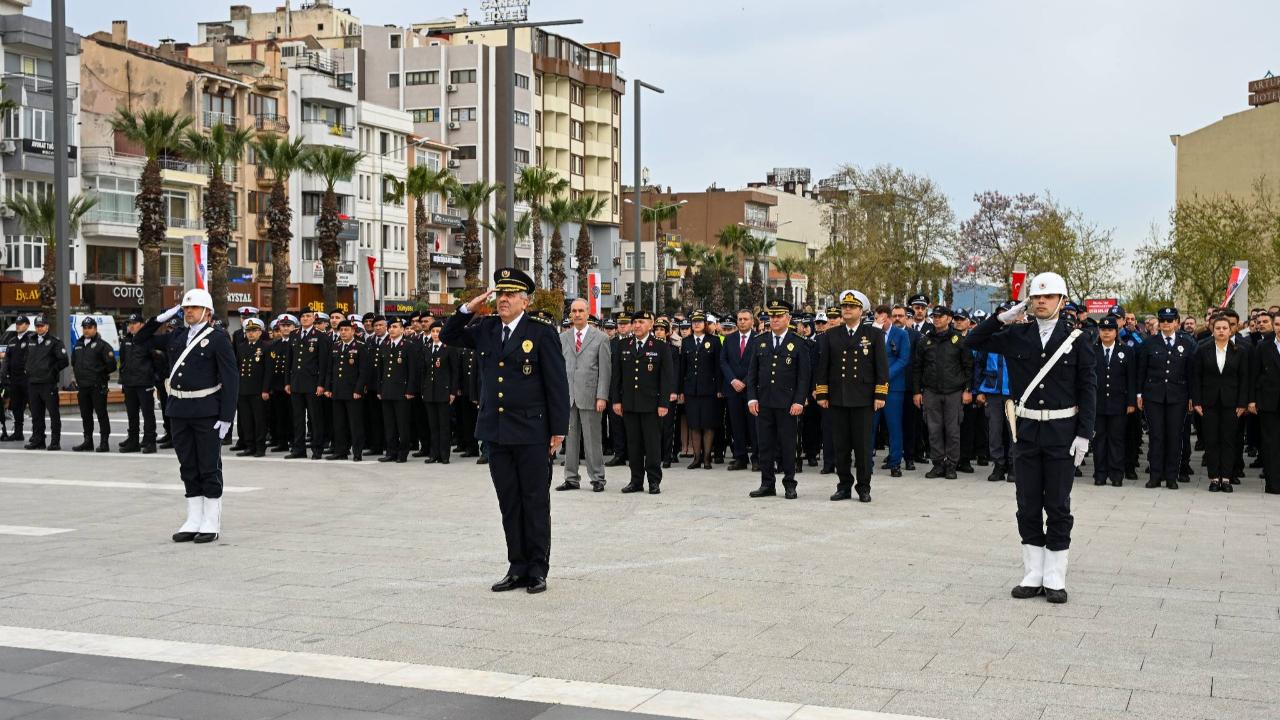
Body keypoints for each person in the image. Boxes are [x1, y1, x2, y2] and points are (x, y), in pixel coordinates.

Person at [965, 271, 1096, 604]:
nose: (1041, 302)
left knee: (1057, 504)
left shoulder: (1078, 339)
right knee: (1027, 504)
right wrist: (1000, 318)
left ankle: (1054, 576)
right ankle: (1032, 573)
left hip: (1061, 432)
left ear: (1061, 301)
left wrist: (1084, 434)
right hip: (1025, 431)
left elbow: (1088, 388)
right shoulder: (1017, 335)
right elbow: (971, 341)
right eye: (1036, 297)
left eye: (1048, 297)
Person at [443, 268, 569, 595]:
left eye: (510, 295)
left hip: (532, 431)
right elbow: (449, 335)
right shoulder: (485, 328)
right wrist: (469, 307)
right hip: (497, 431)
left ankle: (538, 569)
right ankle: (517, 566)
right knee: (509, 502)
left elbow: (556, 384)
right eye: (500, 294)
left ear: (524, 301)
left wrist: (558, 430)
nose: (503, 300)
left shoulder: (540, 333)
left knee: (534, 501)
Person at [136, 289, 238, 544]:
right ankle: (193, 518)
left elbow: (231, 378)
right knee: (188, 466)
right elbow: (140, 339)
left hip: (207, 411)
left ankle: (211, 520)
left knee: (208, 466)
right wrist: (161, 317)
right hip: (179, 411)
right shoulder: (177, 336)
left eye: (193, 308)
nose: (188, 312)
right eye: (185, 308)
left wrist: (227, 418)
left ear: (207, 312)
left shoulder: (217, 339)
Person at [815, 290, 887, 502]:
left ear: (861, 311)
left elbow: (881, 368)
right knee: (841, 445)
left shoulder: (873, 335)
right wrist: (822, 393)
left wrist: (880, 394)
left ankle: (863, 487)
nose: (846, 310)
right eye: (844, 307)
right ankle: (844, 485)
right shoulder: (831, 334)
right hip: (838, 397)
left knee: (863, 446)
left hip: (863, 398)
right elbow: (824, 367)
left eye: (852, 307)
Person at [746, 300, 810, 499]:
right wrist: (751, 398)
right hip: (764, 402)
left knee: (788, 444)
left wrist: (799, 400)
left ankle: (790, 483)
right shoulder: (760, 341)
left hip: (787, 403)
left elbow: (803, 376)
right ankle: (767, 484)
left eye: (779, 316)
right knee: (764, 444)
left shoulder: (799, 343)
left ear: (788, 318)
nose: (774, 319)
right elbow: (752, 374)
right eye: (772, 316)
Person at [611, 310, 676, 494]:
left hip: (651, 406)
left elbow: (666, 378)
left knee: (652, 445)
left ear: (650, 324)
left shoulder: (660, 346)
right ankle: (636, 480)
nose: (637, 325)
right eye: (635, 322)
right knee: (634, 444)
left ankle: (654, 481)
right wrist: (616, 400)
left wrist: (664, 403)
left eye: (641, 322)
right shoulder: (624, 345)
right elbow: (617, 376)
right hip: (630, 404)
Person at [1137, 307, 1196, 490]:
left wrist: (1192, 397)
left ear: (1177, 322)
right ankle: (1155, 475)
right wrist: (1139, 394)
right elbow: (1141, 370)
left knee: (1174, 436)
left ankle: (1171, 476)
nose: (1166, 324)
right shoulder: (1149, 343)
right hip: (1153, 396)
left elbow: (1191, 373)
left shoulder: (1187, 343)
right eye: (1163, 320)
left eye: (1170, 321)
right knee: (1156, 436)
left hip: (1178, 396)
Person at [912, 306, 973, 479]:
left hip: (954, 392)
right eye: (935, 316)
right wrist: (917, 392)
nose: (937, 319)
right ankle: (938, 464)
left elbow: (968, 366)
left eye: (941, 316)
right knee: (933, 429)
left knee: (953, 430)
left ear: (949, 319)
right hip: (931, 392)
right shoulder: (926, 341)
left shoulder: (959, 340)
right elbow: (917, 368)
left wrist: (967, 390)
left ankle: (952, 465)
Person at [1191, 315, 1250, 492]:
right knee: (1211, 440)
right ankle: (1214, 478)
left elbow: (1244, 378)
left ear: (1231, 330)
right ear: (1212, 329)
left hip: (1232, 403)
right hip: (1208, 402)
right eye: (1218, 328)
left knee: (1228, 440)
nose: (1222, 331)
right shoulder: (1202, 349)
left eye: (1225, 328)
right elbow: (1196, 377)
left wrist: (1242, 403)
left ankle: (1226, 478)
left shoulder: (1239, 350)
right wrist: (1197, 401)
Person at [559, 298, 612, 492]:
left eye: (581, 310)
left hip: (591, 395)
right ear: (570, 314)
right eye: (574, 311)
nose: (577, 314)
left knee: (592, 439)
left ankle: (597, 478)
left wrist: (602, 396)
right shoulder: (563, 338)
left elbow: (605, 371)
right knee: (570, 439)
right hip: (569, 396)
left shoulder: (600, 338)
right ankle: (571, 478)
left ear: (588, 312)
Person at [1092, 316, 1136, 487]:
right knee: (1099, 440)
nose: (1106, 333)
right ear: (1099, 332)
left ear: (1116, 332)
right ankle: (1100, 474)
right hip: (1097, 403)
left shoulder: (1126, 351)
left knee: (1117, 440)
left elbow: (1131, 379)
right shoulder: (1092, 350)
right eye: (1103, 330)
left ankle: (1117, 474)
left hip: (1119, 403)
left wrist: (1131, 402)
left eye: (1110, 330)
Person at [678, 311, 722, 470]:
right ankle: (697, 458)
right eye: (694, 322)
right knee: (694, 424)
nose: (696, 324)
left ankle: (707, 457)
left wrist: (719, 388)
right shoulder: (687, 342)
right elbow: (683, 368)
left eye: (699, 321)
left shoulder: (714, 341)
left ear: (705, 324)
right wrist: (681, 390)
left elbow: (718, 367)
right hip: (691, 389)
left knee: (708, 424)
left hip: (709, 389)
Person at [871, 305, 910, 478]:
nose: (880, 321)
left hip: (893, 387)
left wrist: (885, 376)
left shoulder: (901, 334)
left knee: (894, 426)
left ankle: (895, 462)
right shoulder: (871, 333)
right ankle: (867, 461)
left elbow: (903, 359)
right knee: (870, 426)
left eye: (883, 318)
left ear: (888, 318)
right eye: (877, 318)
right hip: (871, 388)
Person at [326, 319, 373, 462]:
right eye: (341, 330)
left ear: (353, 331)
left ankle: (357, 452)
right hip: (337, 391)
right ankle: (341, 451)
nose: (343, 332)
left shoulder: (360, 346)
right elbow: (330, 370)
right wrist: (328, 388)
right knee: (339, 424)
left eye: (347, 330)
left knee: (355, 424)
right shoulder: (335, 346)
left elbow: (364, 371)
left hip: (353, 392)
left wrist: (358, 390)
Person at [288, 309, 331, 459]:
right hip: (296, 383)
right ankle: (298, 449)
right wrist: (288, 382)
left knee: (315, 418)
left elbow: (323, 363)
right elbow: (290, 361)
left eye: (308, 316)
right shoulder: (293, 335)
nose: (305, 319)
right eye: (303, 316)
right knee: (297, 418)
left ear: (313, 318)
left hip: (313, 383)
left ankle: (317, 449)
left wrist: (321, 384)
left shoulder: (320, 336)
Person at [720, 309, 759, 472]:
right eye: (739, 319)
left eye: (745, 319)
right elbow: (723, 361)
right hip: (733, 389)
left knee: (754, 426)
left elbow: (757, 364)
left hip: (751, 389)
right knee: (736, 425)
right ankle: (740, 457)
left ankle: (757, 458)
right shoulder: (729, 339)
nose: (742, 322)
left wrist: (744, 382)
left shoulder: (759, 339)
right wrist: (733, 380)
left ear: (752, 322)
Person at [70, 317, 116, 453]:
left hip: (97, 386)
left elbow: (112, 365)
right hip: (83, 386)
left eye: (89, 327)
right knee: (86, 415)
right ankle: (87, 441)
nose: (86, 330)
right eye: (84, 327)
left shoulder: (103, 345)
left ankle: (104, 442)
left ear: (95, 328)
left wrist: (99, 374)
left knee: (101, 414)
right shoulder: (78, 344)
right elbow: (74, 362)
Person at [376, 318, 418, 463]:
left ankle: (402, 453)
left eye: (395, 327)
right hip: (387, 390)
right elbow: (380, 370)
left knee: (402, 424)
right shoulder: (385, 345)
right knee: (389, 424)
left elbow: (413, 371)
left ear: (401, 329)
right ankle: (391, 452)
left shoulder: (408, 346)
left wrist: (410, 390)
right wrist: (380, 389)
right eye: (390, 327)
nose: (392, 329)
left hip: (402, 391)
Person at [24, 316, 68, 451]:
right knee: (36, 415)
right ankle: (38, 440)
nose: (39, 328)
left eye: (42, 325)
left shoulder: (55, 342)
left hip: (48, 384)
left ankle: (55, 442)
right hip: (33, 383)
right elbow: (27, 358)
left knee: (54, 414)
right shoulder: (30, 340)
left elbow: (64, 361)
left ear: (47, 326)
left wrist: (51, 372)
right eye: (37, 326)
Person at [118, 313, 159, 454]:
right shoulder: (126, 340)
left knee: (148, 414)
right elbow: (123, 361)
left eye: (134, 323)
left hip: (144, 382)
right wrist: (123, 380)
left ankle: (150, 441)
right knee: (132, 414)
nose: (131, 326)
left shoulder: (148, 340)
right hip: (130, 383)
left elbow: (156, 360)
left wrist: (153, 376)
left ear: (142, 325)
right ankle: (133, 441)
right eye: (129, 324)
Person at [419, 320, 459, 464]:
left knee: (444, 426)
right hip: (429, 392)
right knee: (433, 425)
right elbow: (423, 371)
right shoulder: (427, 347)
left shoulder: (449, 348)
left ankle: (444, 455)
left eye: (438, 331)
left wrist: (453, 392)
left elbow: (455, 372)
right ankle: (433, 454)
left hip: (444, 392)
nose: (436, 334)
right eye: (433, 331)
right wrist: (423, 389)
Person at [234, 317, 272, 457]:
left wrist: (265, 390)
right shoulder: (241, 346)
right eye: (248, 331)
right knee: (246, 419)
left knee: (259, 420)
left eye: (254, 331)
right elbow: (237, 368)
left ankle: (260, 447)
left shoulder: (265, 347)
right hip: (243, 389)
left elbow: (268, 371)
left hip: (258, 390)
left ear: (260, 332)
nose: (251, 333)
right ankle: (249, 446)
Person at [266, 315, 295, 452]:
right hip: (277, 385)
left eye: (288, 325)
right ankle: (282, 442)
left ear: (294, 327)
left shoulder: (296, 342)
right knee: (279, 415)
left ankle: (294, 441)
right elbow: (271, 367)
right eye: (283, 326)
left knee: (294, 415)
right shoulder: (274, 345)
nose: (285, 328)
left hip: (292, 385)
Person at [2, 316, 33, 442]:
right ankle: (18, 433)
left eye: (21, 324)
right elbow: (6, 359)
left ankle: (37, 434)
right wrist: (3, 374)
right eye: (17, 323)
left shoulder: (32, 339)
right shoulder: (12, 340)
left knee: (33, 407)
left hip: (27, 379)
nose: (18, 325)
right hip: (14, 379)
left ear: (27, 325)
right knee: (16, 407)